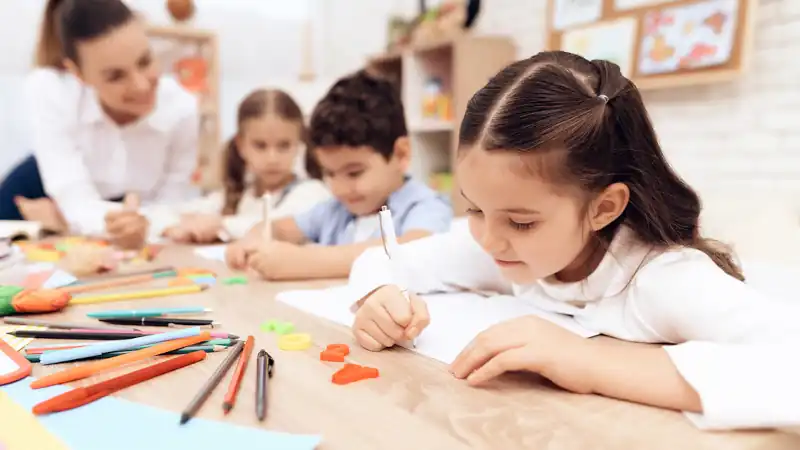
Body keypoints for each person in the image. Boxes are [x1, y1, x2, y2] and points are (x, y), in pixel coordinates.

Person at [346, 51, 800, 428]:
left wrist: (586, 362)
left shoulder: (662, 279)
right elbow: (386, 260)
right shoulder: (499, 246)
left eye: (522, 223)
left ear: (604, 208)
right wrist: (380, 295)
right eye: (476, 209)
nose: (489, 239)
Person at [0, 0, 199, 248]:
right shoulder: (51, 89)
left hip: (106, 217)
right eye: (116, 76)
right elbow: (73, 197)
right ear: (78, 74)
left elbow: (171, 204)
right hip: (34, 196)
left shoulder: (182, 110)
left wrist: (147, 224)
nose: (140, 85)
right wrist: (133, 223)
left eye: (145, 61)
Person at [226, 70, 453, 280]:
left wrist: (304, 262)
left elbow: (412, 250)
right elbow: (279, 228)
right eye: (330, 174)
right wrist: (252, 240)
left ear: (401, 154)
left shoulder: (424, 206)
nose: (340, 188)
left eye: (354, 173)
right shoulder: (336, 210)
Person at [160, 89, 330, 243]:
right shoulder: (237, 195)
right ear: (241, 145)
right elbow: (165, 213)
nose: (272, 158)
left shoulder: (312, 192)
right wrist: (176, 227)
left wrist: (220, 225)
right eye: (260, 146)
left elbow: (280, 226)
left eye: (284, 145)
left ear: (299, 144)